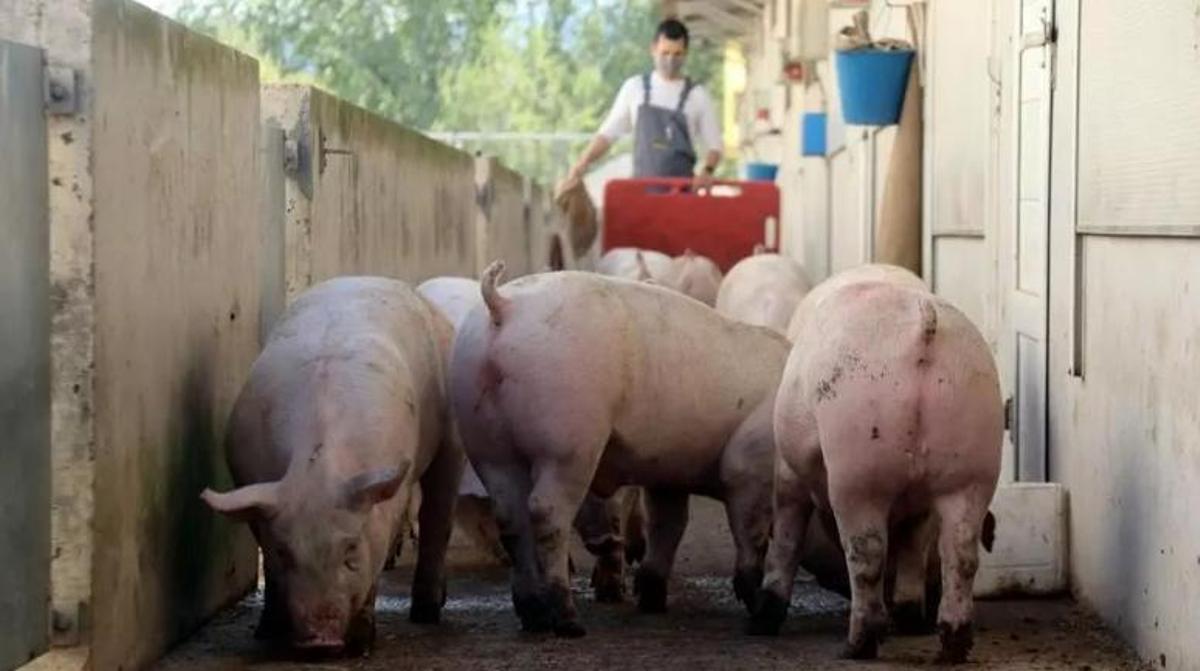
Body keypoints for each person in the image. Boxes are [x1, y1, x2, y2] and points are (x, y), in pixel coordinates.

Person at [561, 18, 723, 193]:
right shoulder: (634, 88)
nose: (670, 60)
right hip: (641, 197)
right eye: (665, 53)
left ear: (686, 54)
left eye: (677, 54)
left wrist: (707, 171)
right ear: (653, 50)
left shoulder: (698, 96)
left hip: (682, 198)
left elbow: (715, 146)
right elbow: (608, 135)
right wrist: (582, 163)